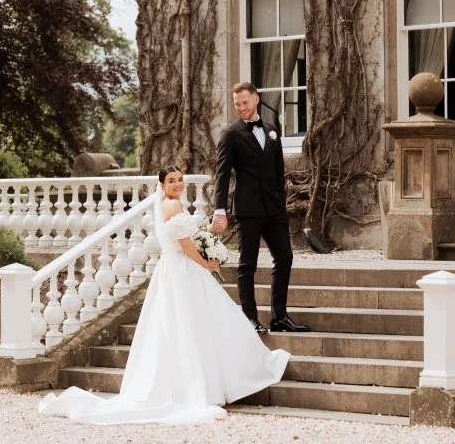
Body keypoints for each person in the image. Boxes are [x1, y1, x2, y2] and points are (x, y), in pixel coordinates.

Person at [38, 166, 289, 425]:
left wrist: (207, 242)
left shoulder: (170, 205)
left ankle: (210, 382)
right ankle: (201, 386)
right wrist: (205, 263)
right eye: (171, 181)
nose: (178, 184)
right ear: (162, 185)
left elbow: (187, 237)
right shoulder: (172, 207)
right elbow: (185, 244)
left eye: (180, 180)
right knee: (191, 324)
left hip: (176, 269)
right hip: (182, 270)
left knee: (191, 324)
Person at [210, 82, 309, 334]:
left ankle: (279, 317)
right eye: (237, 104)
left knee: (285, 258)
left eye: (245, 102)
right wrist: (219, 208)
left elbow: (279, 171)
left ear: (256, 99)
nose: (241, 108)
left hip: (275, 209)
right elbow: (221, 174)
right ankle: (250, 319)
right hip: (248, 209)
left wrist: (281, 198)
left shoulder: (272, 131)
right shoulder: (230, 135)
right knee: (247, 265)